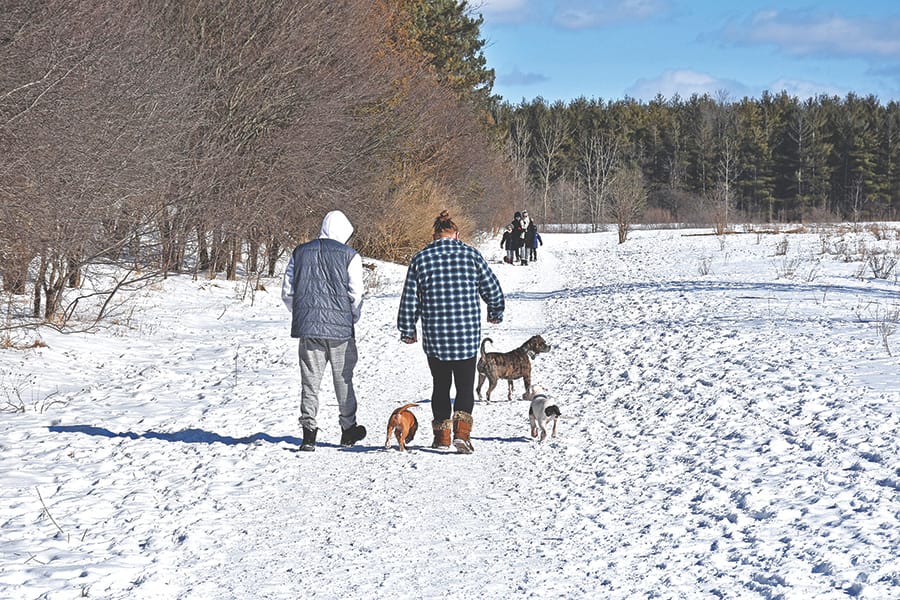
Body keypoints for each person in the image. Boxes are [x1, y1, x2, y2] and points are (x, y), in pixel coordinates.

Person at [397, 210, 505, 453]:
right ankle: (462, 436)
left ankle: (442, 437)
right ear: (456, 234)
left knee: (440, 386)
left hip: (436, 338)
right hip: (466, 336)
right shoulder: (471, 255)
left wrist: (407, 328)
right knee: (465, 387)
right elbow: (493, 289)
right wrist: (495, 312)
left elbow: (409, 300)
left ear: (434, 236)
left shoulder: (421, 259)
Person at [282, 210, 367, 452]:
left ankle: (308, 433)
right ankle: (348, 429)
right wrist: (352, 318)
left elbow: (287, 291)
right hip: (341, 330)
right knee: (343, 379)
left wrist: (302, 314)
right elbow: (355, 294)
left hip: (309, 328)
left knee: (310, 381)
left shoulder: (299, 252)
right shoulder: (350, 255)